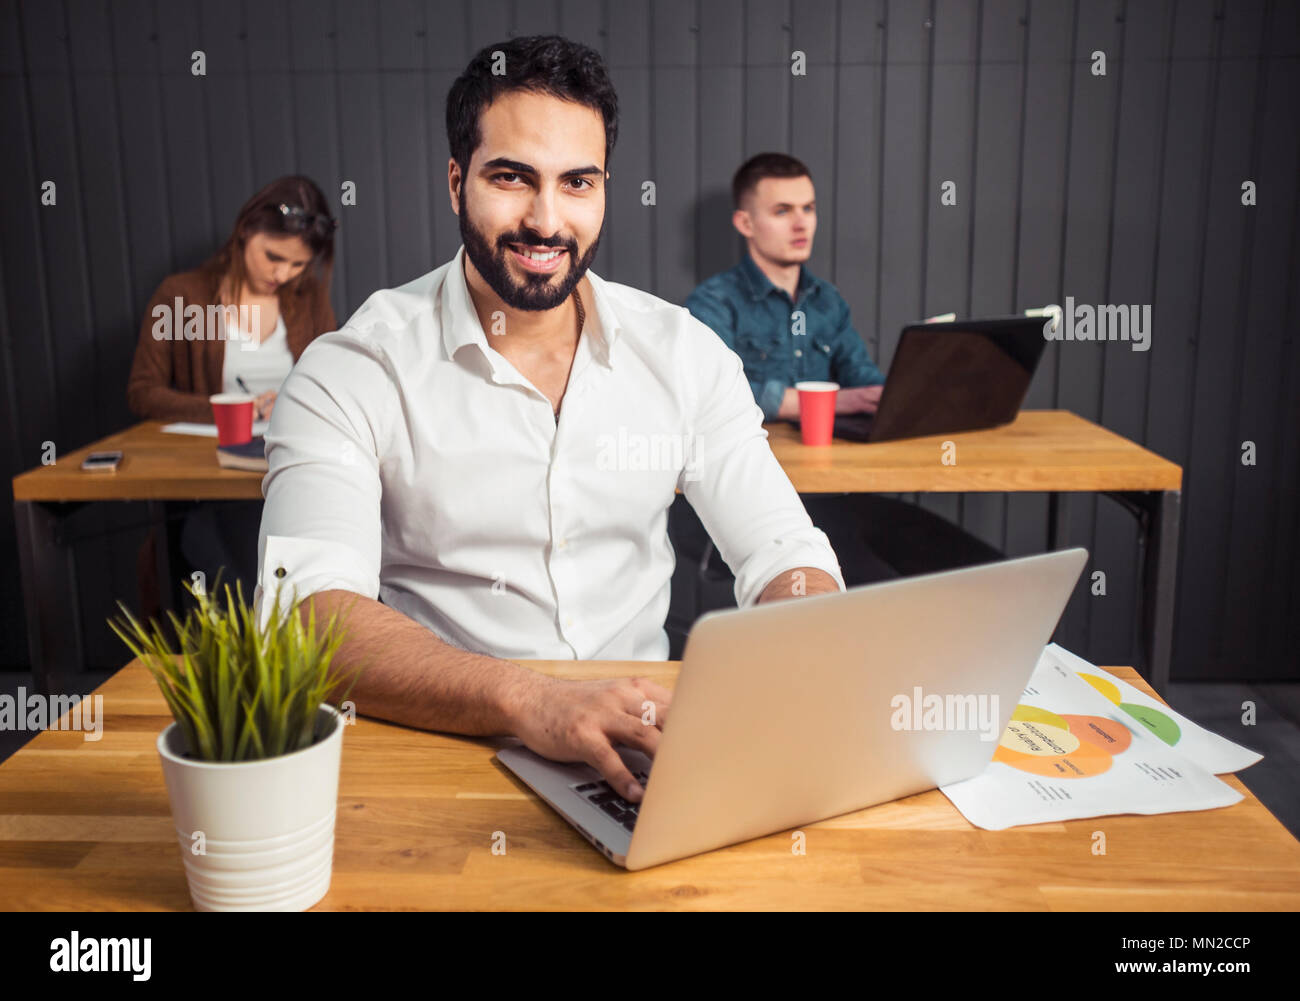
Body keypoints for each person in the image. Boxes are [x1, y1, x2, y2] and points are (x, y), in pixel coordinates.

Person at [254, 36, 845, 804]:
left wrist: (811, 641)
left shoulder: (683, 354)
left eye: (577, 183)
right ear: (456, 181)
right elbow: (310, 619)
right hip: (434, 760)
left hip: (644, 755)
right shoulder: (352, 370)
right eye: (511, 178)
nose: (546, 220)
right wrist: (535, 701)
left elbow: (781, 550)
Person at [679, 152, 1002, 608]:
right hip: (763, 504)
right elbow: (702, 396)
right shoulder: (713, 303)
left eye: (808, 208)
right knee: (888, 602)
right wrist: (820, 402)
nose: (801, 224)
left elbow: (864, 383)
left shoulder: (827, 302)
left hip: (840, 493)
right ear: (745, 223)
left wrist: (925, 375)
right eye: (782, 211)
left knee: (985, 575)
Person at [126, 175, 339, 613]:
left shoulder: (309, 298)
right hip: (215, 480)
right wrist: (225, 410)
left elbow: (334, 383)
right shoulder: (183, 296)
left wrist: (298, 400)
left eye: (298, 264)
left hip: (289, 469)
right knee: (222, 541)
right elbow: (143, 392)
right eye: (274, 257)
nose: (283, 274)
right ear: (245, 231)